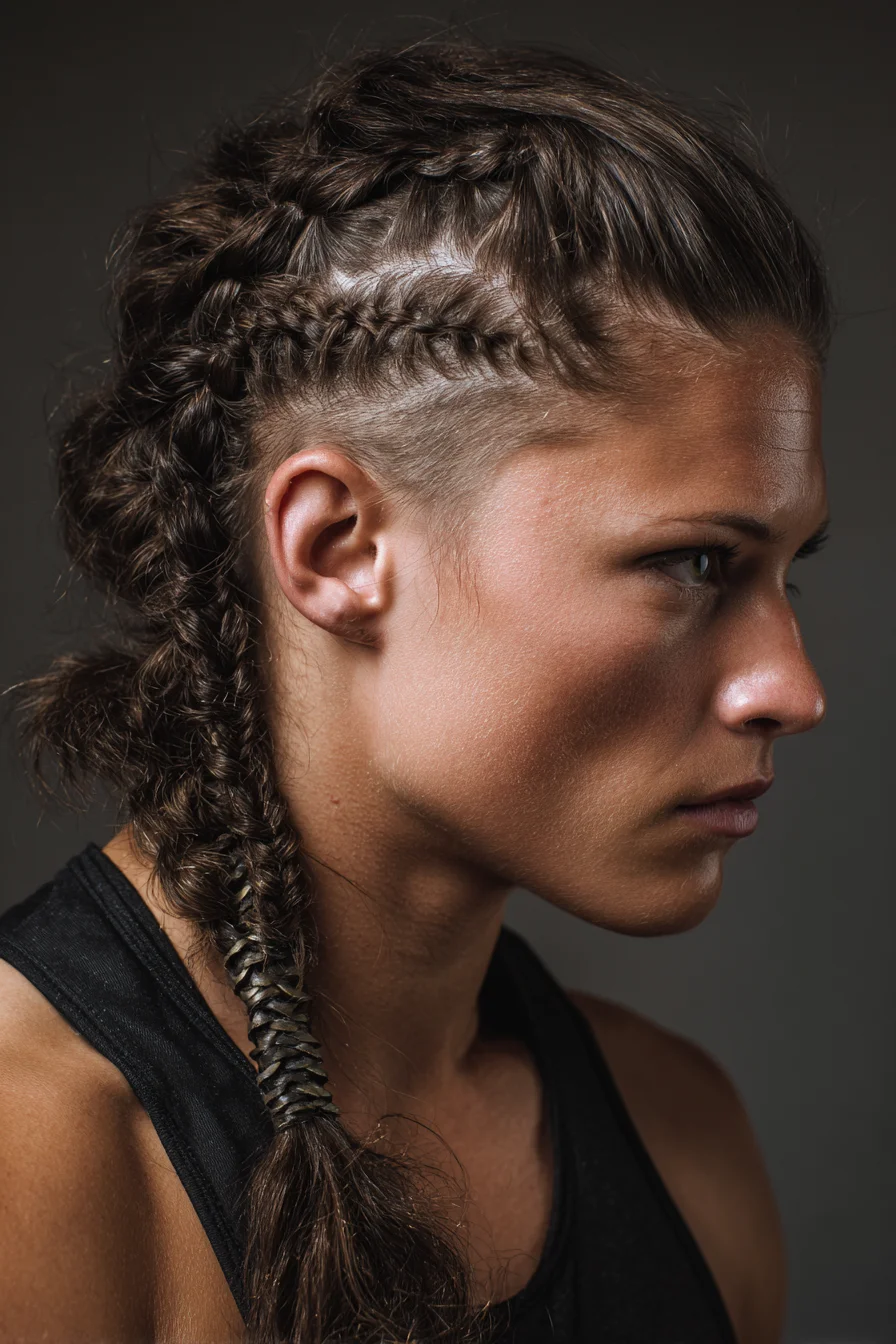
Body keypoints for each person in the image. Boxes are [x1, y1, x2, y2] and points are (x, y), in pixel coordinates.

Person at [0, 38, 832, 1344]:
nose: (791, 685)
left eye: (788, 574)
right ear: (339, 548)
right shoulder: (29, 1169)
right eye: (694, 564)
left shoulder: (687, 1146)